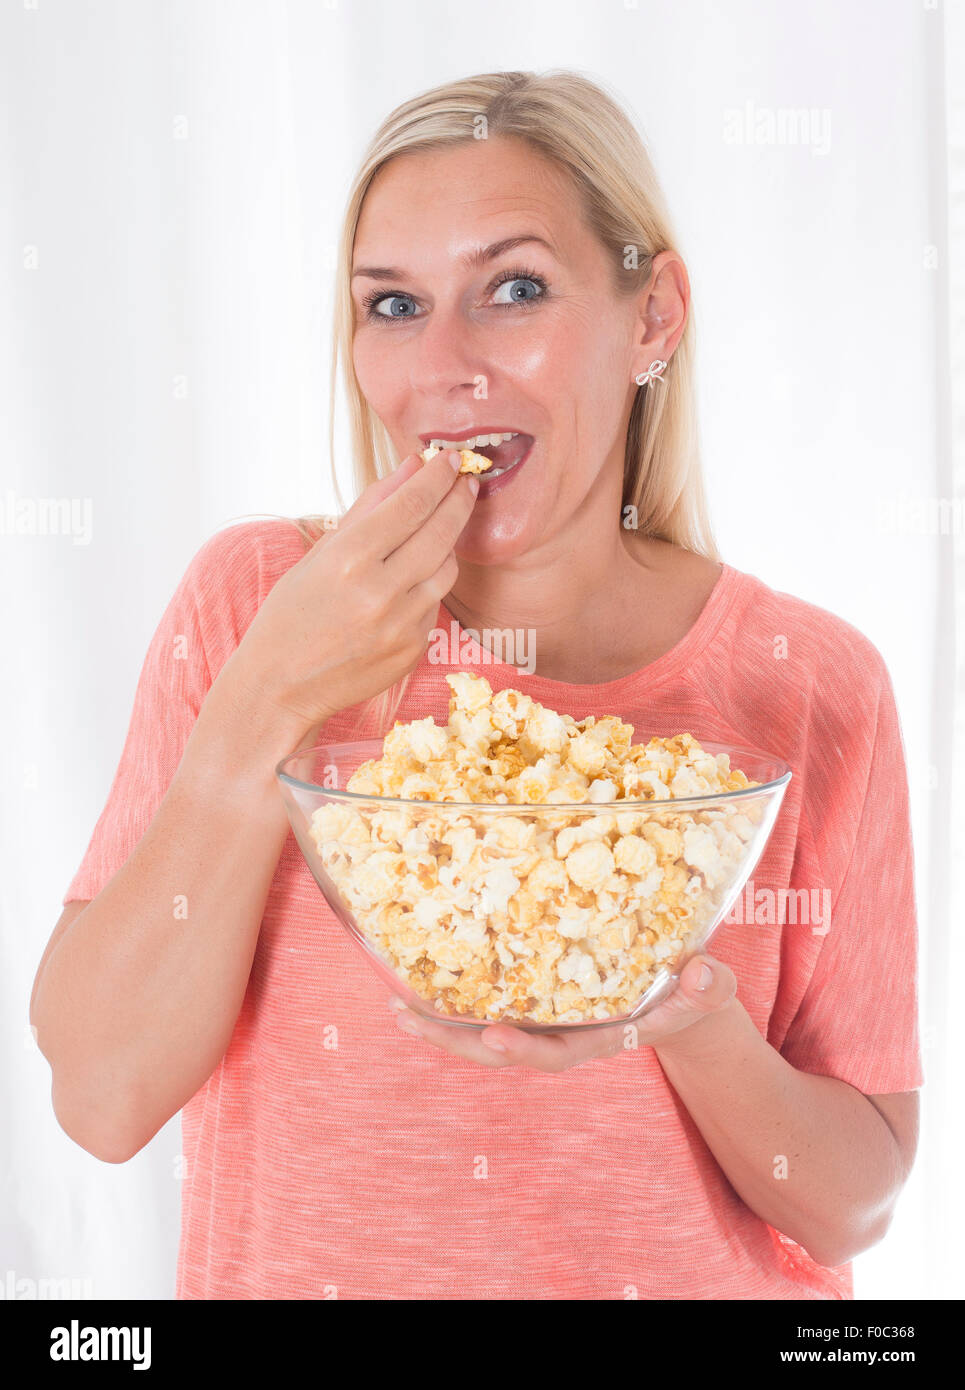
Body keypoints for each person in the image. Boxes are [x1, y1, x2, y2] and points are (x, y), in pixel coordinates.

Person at [32, 70, 921, 1300]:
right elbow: (101, 1096)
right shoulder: (251, 605)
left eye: (513, 290)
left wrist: (684, 1010)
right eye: (392, 304)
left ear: (653, 316)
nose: (440, 364)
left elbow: (852, 1203)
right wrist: (261, 707)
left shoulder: (809, 685)